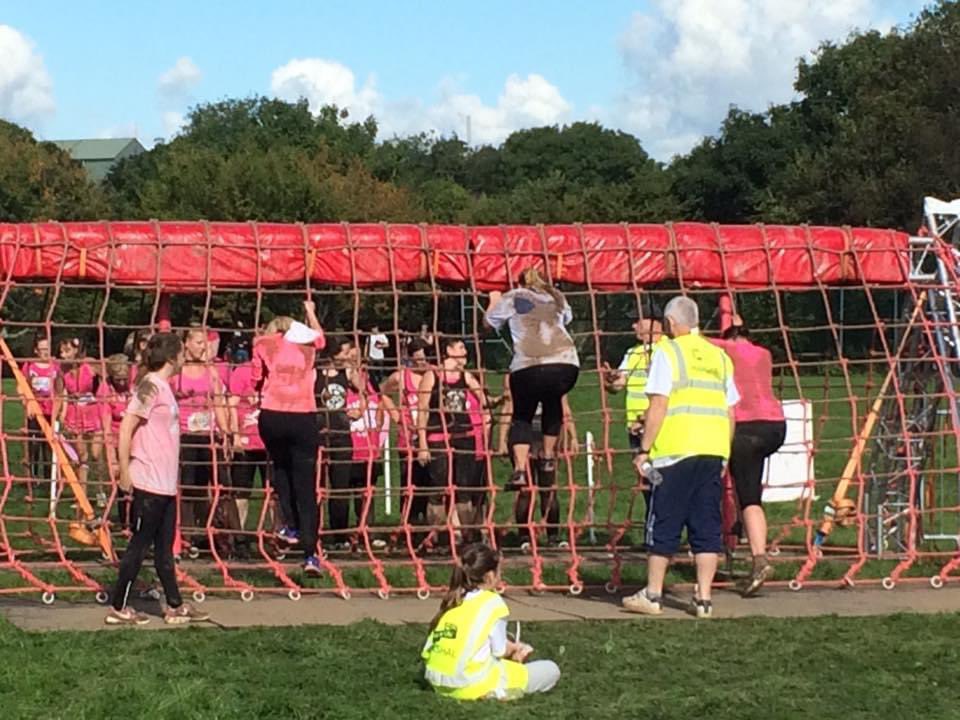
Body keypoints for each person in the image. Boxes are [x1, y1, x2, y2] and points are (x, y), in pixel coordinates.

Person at [622, 295, 739, 619]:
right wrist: (724, 451)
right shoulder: (719, 356)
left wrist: (644, 449)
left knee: (664, 519)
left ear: (671, 323)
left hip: (674, 452)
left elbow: (659, 404)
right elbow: (730, 412)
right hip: (712, 450)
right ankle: (703, 599)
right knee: (706, 524)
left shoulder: (667, 351)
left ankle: (654, 594)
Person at [105, 332, 210, 625]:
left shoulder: (163, 387)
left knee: (164, 548)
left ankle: (174, 604)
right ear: (172, 356)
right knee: (139, 546)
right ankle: (119, 605)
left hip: (164, 483)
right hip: (147, 481)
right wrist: (125, 470)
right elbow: (126, 427)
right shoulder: (149, 386)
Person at [422, 543, 560, 701]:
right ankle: (494, 692)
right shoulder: (493, 603)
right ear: (489, 576)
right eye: (499, 571)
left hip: (437, 683)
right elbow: (499, 651)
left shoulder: (454, 600)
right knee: (551, 669)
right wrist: (516, 651)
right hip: (471, 684)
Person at [484, 267, 579, 493]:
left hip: (529, 365)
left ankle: (519, 469)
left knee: (522, 415)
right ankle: (547, 457)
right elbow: (568, 318)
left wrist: (493, 300)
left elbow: (487, 324)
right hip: (566, 364)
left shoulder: (514, 296)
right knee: (553, 402)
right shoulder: (557, 295)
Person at [710, 314, 786, 596]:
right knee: (752, 492)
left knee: (748, 498)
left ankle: (758, 557)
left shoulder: (725, 350)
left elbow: (696, 340)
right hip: (775, 426)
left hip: (746, 427)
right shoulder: (764, 354)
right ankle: (752, 545)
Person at [253, 302, 326, 575]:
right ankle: (310, 552)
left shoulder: (263, 344)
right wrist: (310, 311)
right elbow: (321, 338)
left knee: (280, 471)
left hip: (272, 414)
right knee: (306, 484)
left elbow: (255, 379)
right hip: (302, 414)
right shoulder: (307, 343)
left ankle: (290, 526)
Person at [417, 337, 487, 544]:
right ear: (448, 350)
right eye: (460, 347)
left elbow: (484, 399)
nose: (465, 352)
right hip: (439, 437)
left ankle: (467, 536)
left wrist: (501, 399)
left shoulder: (466, 376)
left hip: (464, 437)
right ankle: (439, 536)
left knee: (464, 489)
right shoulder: (433, 375)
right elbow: (422, 411)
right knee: (439, 489)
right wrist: (422, 444)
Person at [498, 376, 578, 550]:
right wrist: (502, 439)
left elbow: (564, 408)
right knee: (525, 490)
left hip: (546, 437)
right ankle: (524, 536)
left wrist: (573, 436)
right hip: (522, 437)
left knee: (548, 489)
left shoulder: (554, 376)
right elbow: (508, 407)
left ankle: (553, 535)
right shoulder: (514, 376)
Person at [172, 328, 231, 555]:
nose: (202, 347)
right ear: (186, 343)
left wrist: (225, 431)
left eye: (204, 343)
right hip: (186, 435)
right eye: (197, 342)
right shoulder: (177, 372)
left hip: (209, 435)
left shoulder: (212, 371)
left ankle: (223, 535)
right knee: (188, 487)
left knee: (220, 486)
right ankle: (188, 536)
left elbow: (218, 402)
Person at [603, 313, 664, 526]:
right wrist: (610, 380)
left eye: (638, 321)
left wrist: (647, 418)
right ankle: (654, 526)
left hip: (659, 427)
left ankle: (664, 526)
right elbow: (618, 385)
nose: (633, 325)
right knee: (647, 479)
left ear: (654, 324)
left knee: (664, 478)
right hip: (635, 430)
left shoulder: (667, 350)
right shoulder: (633, 352)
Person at [317, 336, 367, 550]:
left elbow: (365, 392)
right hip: (317, 433)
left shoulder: (347, 373)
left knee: (340, 486)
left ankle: (339, 535)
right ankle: (314, 533)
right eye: (344, 353)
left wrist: (360, 409)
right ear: (332, 354)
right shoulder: (314, 373)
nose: (348, 357)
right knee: (316, 486)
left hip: (341, 433)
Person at [380, 339, 432, 528]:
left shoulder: (436, 374)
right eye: (418, 360)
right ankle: (407, 525)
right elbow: (383, 392)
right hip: (409, 440)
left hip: (433, 437)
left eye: (425, 358)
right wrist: (397, 416)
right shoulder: (402, 377)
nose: (422, 363)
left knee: (431, 486)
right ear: (410, 359)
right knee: (409, 485)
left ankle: (431, 527)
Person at [55, 338, 103, 509]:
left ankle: (100, 490)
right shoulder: (62, 371)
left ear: (76, 351)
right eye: (61, 351)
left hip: (93, 411)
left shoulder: (89, 365)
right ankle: (81, 497)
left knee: (96, 454)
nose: (62, 355)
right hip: (75, 414)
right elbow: (60, 395)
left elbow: (107, 376)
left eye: (66, 351)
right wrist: (56, 416)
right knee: (81, 456)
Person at [98, 354, 133, 527]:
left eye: (124, 379)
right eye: (118, 379)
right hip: (117, 440)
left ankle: (137, 517)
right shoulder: (106, 390)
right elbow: (106, 425)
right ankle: (124, 520)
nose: (121, 383)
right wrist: (112, 456)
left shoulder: (135, 385)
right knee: (121, 480)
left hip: (136, 440)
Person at [20, 335, 59, 490]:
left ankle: (50, 478)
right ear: (36, 350)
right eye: (42, 349)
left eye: (47, 349)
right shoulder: (30, 366)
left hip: (51, 411)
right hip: (35, 411)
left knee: (49, 446)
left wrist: (59, 409)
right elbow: (22, 386)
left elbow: (60, 388)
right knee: (33, 444)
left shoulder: (55, 366)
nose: (45, 352)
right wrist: (27, 403)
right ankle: (33, 477)